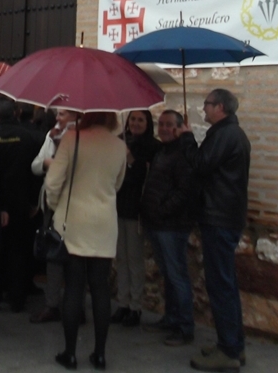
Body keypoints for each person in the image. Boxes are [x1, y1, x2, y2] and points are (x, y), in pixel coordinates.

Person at [45, 112, 126, 371]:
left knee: (74, 287)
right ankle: (100, 354)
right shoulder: (120, 145)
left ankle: (69, 353)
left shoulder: (73, 138)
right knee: (100, 287)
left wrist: (55, 206)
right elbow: (117, 183)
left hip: (74, 221)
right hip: (104, 223)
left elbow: (53, 182)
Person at [189, 89, 251, 372]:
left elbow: (201, 165)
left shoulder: (226, 135)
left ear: (221, 107)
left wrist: (189, 140)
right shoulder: (230, 133)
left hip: (219, 218)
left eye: (208, 105)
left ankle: (228, 350)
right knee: (225, 283)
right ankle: (233, 345)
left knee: (221, 284)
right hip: (225, 216)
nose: (204, 110)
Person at [140, 110, 197, 347]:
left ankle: (185, 327)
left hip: (172, 225)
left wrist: (162, 210)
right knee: (169, 275)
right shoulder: (163, 150)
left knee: (177, 276)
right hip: (157, 224)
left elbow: (185, 191)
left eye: (169, 125)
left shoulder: (183, 154)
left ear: (179, 127)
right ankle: (171, 318)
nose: (163, 128)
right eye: (161, 124)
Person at [0, 96, 42, 313]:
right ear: (16, 113)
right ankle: (17, 298)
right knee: (18, 251)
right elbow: (35, 173)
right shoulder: (29, 138)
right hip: (21, 203)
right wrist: (33, 202)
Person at [29, 108, 77, 324]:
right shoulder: (50, 136)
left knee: (75, 257)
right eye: (57, 114)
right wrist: (49, 162)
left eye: (63, 114)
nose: (57, 118)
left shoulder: (82, 138)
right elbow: (36, 165)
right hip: (51, 203)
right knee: (53, 253)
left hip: (75, 204)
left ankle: (74, 305)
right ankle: (52, 304)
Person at [111, 110, 159, 327]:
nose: (136, 123)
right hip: (117, 207)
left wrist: (129, 158)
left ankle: (136, 306)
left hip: (136, 210)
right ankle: (122, 302)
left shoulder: (153, 147)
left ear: (147, 123)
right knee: (121, 258)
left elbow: (142, 176)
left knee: (134, 259)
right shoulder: (119, 141)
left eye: (141, 120)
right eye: (133, 119)